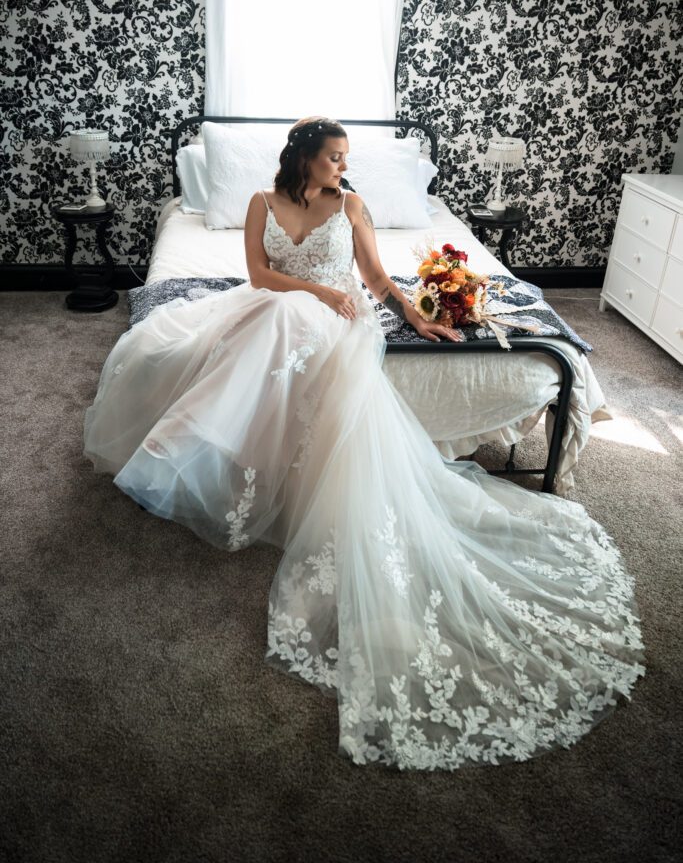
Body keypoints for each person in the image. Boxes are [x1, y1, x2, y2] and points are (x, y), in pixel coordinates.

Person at [84, 116, 645, 771]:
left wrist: (414, 316)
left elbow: (376, 280)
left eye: (346, 156)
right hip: (276, 305)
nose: (342, 167)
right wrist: (317, 289)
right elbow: (258, 276)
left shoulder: (351, 205)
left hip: (341, 321)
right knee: (222, 331)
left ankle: (197, 439)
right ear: (303, 157)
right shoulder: (260, 202)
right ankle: (196, 445)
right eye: (333, 156)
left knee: (282, 324)